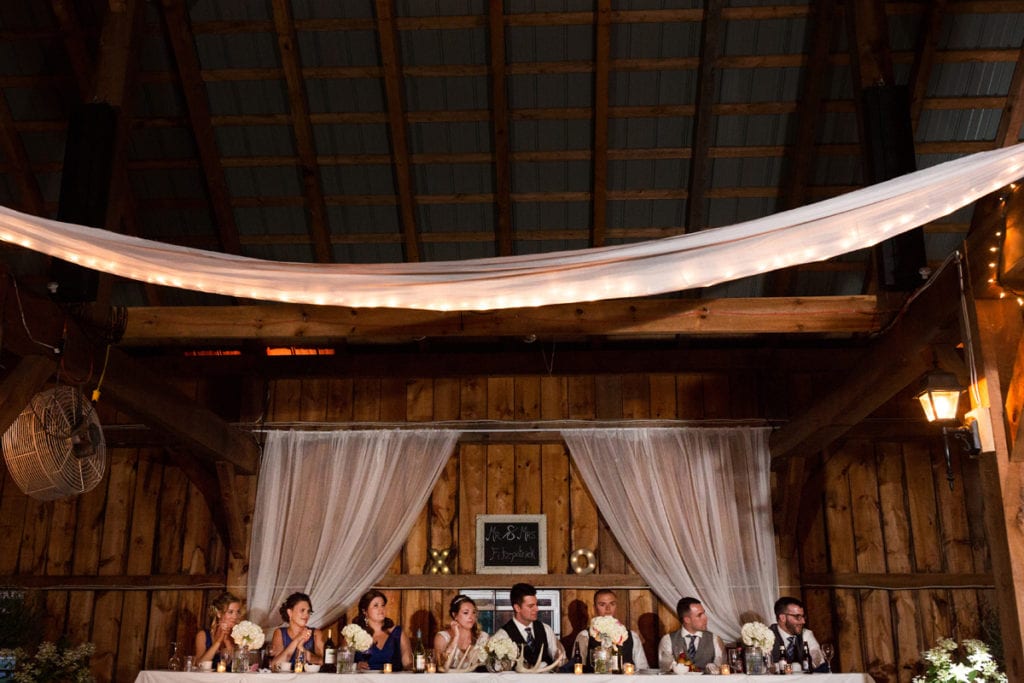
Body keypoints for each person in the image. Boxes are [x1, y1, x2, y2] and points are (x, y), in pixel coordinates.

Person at [573, 589, 649, 670]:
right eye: (602, 604)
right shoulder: (584, 636)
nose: (608, 609)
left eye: (612, 604)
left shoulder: (632, 636)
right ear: (595, 607)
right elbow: (577, 668)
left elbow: (643, 669)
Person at [351, 589, 413, 671]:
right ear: (365, 611)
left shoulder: (397, 633)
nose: (381, 609)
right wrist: (355, 666)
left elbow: (408, 664)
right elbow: (340, 663)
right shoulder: (354, 633)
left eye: (383, 605)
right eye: (376, 606)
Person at [499, 582, 559, 667]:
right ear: (517, 608)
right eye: (531, 606)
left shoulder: (546, 629)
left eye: (536, 605)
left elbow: (558, 657)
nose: (537, 609)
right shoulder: (502, 636)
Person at [657, 597, 724, 672]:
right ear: (687, 620)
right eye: (699, 615)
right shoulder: (667, 640)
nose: (705, 618)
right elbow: (666, 669)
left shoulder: (715, 639)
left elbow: (721, 668)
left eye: (704, 613)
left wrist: (714, 668)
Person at [769, 596, 826, 672]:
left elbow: (818, 662)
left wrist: (816, 660)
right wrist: (793, 668)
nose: (803, 621)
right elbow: (766, 667)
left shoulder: (806, 634)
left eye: (803, 617)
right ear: (783, 617)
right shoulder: (766, 636)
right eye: (797, 617)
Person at [270, 592, 324, 670]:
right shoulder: (279, 633)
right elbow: (276, 665)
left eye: (308, 611)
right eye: (302, 610)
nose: (306, 615)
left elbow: (324, 662)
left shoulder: (316, 633)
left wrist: (303, 651)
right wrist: (297, 639)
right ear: (290, 612)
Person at [434, 594, 489, 670]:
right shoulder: (442, 637)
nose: (471, 617)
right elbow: (441, 666)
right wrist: (455, 637)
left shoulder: (483, 637)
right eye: (466, 613)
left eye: (473, 612)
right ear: (455, 615)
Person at [195, 591, 242, 667]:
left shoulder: (240, 635)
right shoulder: (203, 635)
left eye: (237, 612)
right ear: (219, 614)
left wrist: (227, 641)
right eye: (230, 612)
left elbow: (239, 666)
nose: (235, 616)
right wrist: (218, 641)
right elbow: (199, 665)